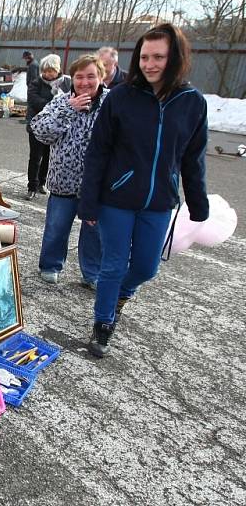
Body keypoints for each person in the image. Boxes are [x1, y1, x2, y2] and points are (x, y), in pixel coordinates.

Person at [78, 23, 208, 358]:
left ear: (175, 58)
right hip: (116, 199)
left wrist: (198, 201)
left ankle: (121, 294)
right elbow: (98, 151)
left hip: (159, 201)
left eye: (159, 57)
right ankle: (103, 323)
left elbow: (194, 157)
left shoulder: (192, 102)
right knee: (113, 264)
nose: (150, 64)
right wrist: (88, 201)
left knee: (147, 267)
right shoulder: (121, 97)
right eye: (145, 56)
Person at [30, 54, 108, 287]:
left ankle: (92, 273)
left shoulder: (112, 103)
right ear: (71, 79)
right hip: (63, 181)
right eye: (79, 77)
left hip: (97, 186)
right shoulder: (61, 101)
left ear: (101, 77)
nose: (85, 82)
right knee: (57, 227)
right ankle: (50, 264)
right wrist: (68, 109)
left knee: (95, 234)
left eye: (91, 76)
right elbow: (40, 131)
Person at [25, 54, 71, 200]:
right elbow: (34, 100)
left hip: (56, 127)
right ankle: (31, 186)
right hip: (37, 125)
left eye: (51, 70)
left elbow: (69, 100)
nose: (47, 74)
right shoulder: (36, 83)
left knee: (48, 156)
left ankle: (41, 183)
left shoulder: (65, 83)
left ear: (57, 70)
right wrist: (54, 104)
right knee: (35, 157)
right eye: (45, 70)